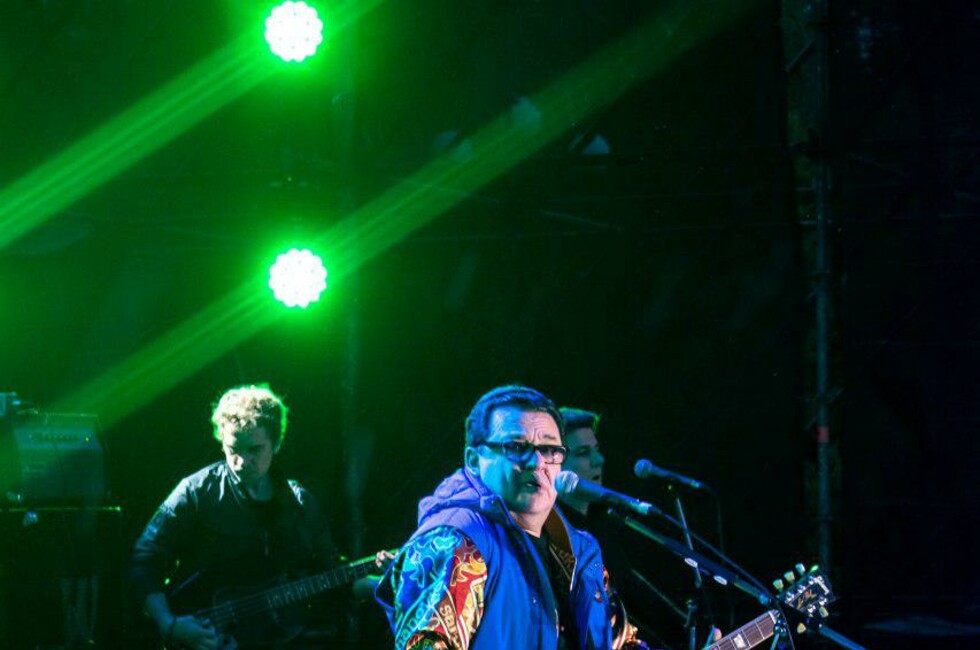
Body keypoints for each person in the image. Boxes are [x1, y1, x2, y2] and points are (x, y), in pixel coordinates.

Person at [131, 384, 374, 650]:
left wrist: (380, 582)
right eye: (233, 449)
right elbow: (145, 559)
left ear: (276, 443)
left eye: (254, 449)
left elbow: (331, 575)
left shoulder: (300, 503)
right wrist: (169, 624)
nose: (241, 461)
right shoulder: (195, 492)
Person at [375, 384, 616, 650]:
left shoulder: (579, 548)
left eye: (549, 449)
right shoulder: (454, 541)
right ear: (473, 460)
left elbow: (619, 637)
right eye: (516, 446)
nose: (537, 462)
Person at [559, 407, 720, 650]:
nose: (599, 460)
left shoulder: (607, 523)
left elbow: (637, 601)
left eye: (597, 450)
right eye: (583, 453)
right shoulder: (553, 535)